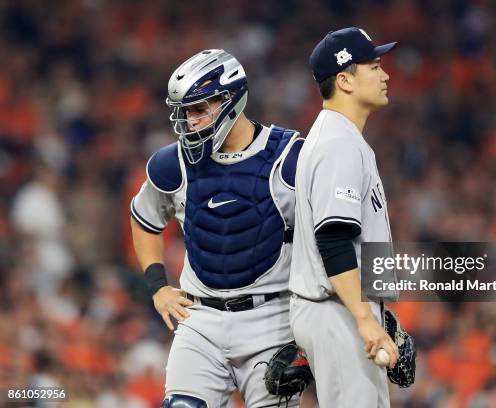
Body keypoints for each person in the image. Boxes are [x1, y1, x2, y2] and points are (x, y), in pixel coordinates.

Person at [130, 49, 306, 408]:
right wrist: (158, 286)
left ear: (231, 99)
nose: (190, 121)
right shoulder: (173, 162)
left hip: (273, 321)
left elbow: (329, 240)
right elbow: (144, 219)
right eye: (185, 112)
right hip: (201, 318)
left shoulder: (291, 157)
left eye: (199, 109)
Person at [289, 27, 400, 407]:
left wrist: (380, 315)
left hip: (342, 307)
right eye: (374, 66)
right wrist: (365, 319)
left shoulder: (339, 138)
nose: (384, 75)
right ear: (345, 80)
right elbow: (334, 238)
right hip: (336, 311)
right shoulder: (338, 144)